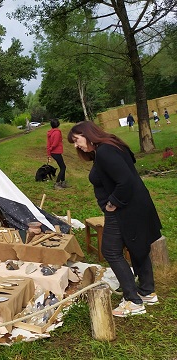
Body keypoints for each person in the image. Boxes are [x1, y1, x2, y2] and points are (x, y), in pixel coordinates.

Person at [67, 121, 162, 317]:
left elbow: (125, 180)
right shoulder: (111, 145)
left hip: (124, 209)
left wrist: (112, 203)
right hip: (136, 206)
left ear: (88, 134)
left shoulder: (105, 152)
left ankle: (133, 301)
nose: (76, 146)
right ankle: (146, 292)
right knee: (137, 246)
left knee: (110, 250)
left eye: (76, 140)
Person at [47, 119, 68, 189]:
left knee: (62, 167)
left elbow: (48, 143)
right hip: (56, 151)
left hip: (53, 152)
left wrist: (49, 152)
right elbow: (55, 143)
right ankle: (57, 183)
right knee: (63, 167)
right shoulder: (57, 132)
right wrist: (51, 148)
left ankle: (63, 182)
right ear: (58, 124)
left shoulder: (50, 132)